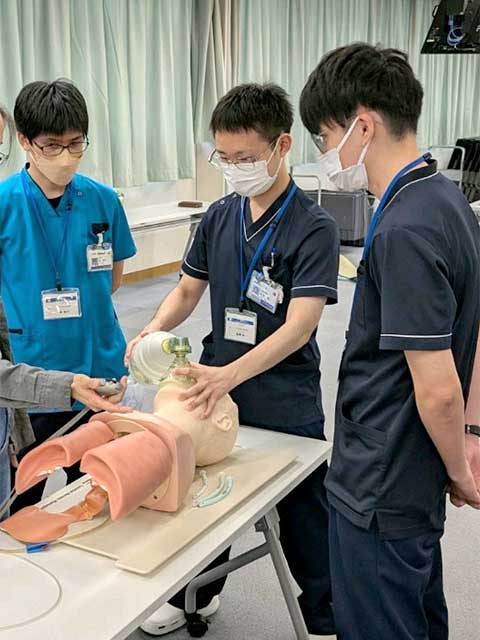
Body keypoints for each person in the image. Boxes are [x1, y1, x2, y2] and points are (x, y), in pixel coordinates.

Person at [126, 83, 339, 637]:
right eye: (225, 158)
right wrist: (151, 328)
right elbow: (186, 291)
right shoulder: (219, 217)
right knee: (206, 493)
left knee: (301, 507)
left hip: (281, 387)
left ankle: (325, 613)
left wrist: (232, 374)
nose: (235, 168)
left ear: (281, 146)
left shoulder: (314, 227)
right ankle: (194, 595)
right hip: (214, 377)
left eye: (246, 158)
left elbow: (300, 325)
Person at [299, 43, 480, 640]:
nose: (326, 156)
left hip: (383, 477)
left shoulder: (405, 226)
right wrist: (467, 444)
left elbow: (439, 390)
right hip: (410, 471)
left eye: (325, 137)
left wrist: (460, 468)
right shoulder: (448, 199)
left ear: (363, 124)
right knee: (418, 612)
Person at [0, 80, 136, 512]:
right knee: (23, 501)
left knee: (100, 493)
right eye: (52, 145)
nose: (66, 156)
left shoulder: (102, 200)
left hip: (101, 368)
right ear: (25, 141)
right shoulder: (4, 204)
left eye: (76, 144)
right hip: (33, 372)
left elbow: (114, 278)